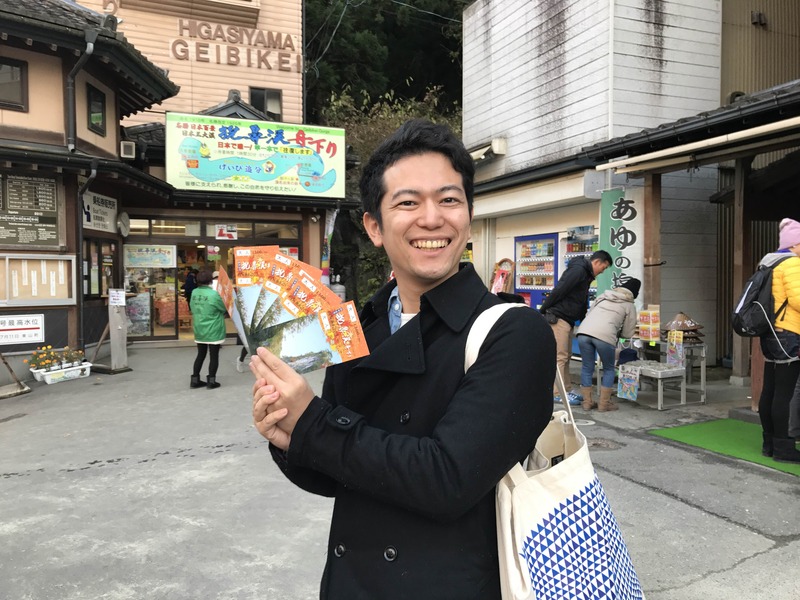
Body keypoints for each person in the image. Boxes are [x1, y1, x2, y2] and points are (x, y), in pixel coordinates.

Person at [249, 119, 556, 599]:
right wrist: (288, 435)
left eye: (449, 199)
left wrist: (315, 423)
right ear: (374, 226)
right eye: (408, 203)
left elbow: (448, 479)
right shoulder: (359, 326)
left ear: (469, 215)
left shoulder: (514, 332)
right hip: (351, 585)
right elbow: (339, 476)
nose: (432, 219)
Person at [539, 249, 612, 401]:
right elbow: (560, 289)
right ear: (596, 262)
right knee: (560, 357)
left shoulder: (586, 273)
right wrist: (543, 310)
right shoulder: (579, 270)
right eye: (603, 267)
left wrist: (584, 319)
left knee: (566, 356)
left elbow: (580, 300)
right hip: (559, 317)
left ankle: (566, 389)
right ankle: (557, 393)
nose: (602, 271)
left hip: (568, 319)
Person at [758, 218, 800, 463]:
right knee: (784, 393)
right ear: (794, 244)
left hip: (771, 333)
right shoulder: (793, 264)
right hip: (788, 333)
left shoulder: (768, 262)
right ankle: (784, 449)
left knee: (770, 391)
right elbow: (798, 300)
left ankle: (769, 444)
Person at [575, 278, 641, 412]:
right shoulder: (629, 305)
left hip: (583, 332)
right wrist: (617, 333)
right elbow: (628, 333)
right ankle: (604, 404)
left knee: (587, 367)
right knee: (609, 369)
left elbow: (589, 313)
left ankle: (587, 402)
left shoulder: (603, 297)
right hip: (604, 336)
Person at [189, 269, 228, 390]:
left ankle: (195, 380)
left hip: (199, 327)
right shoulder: (214, 294)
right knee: (214, 356)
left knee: (200, 354)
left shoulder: (194, 292)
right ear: (210, 280)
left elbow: (192, 307)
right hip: (213, 328)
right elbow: (223, 308)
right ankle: (211, 381)